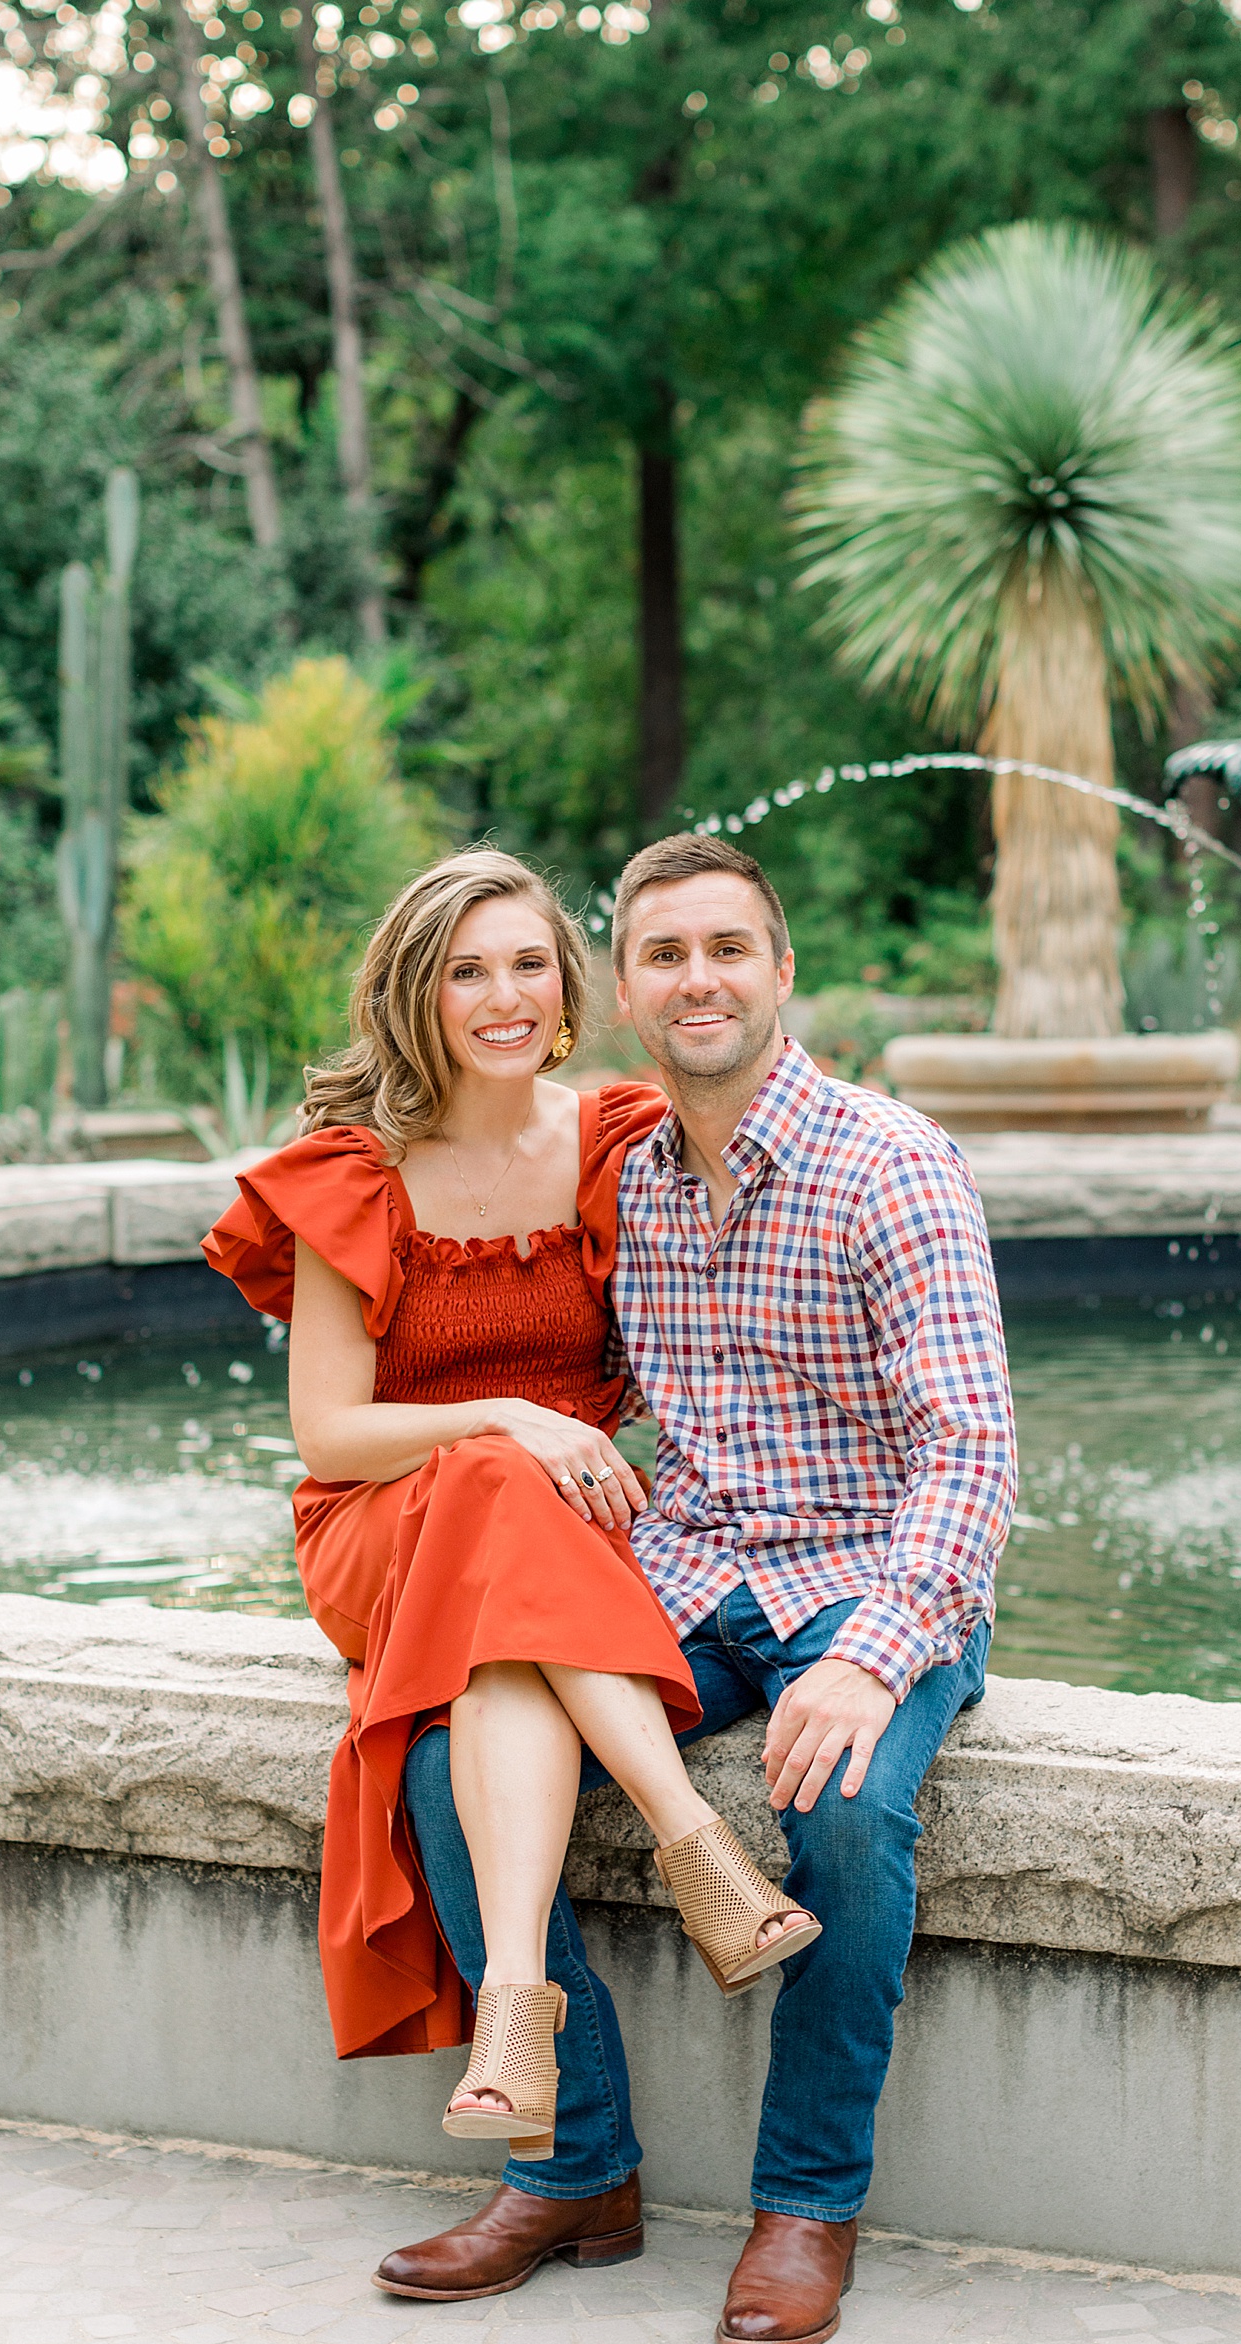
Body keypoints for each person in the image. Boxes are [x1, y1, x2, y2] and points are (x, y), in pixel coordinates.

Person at [383, 834, 1016, 2344]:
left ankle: (807, 2203)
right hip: (688, 1563)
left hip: (871, 1579)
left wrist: (869, 1659)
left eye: (728, 947)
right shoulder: (637, 1182)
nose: (699, 978)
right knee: (435, 1758)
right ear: (628, 990)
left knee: (847, 1808)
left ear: (782, 969)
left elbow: (973, 1449)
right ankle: (574, 2165)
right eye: (664, 955)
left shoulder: (893, 1161)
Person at [202, 849, 818, 2179]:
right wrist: (512, 1418)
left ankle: (512, 2020)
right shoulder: (349, 1174)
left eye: (527, 964)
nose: (502, 996)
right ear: (415, 994)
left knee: (500, 1664)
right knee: (493, 1479)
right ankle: (696, 1846)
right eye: (466, 970)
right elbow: (330, 1435)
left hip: (555, 1553)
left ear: (567, 983)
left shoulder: (611, 1140)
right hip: (385, 1525)